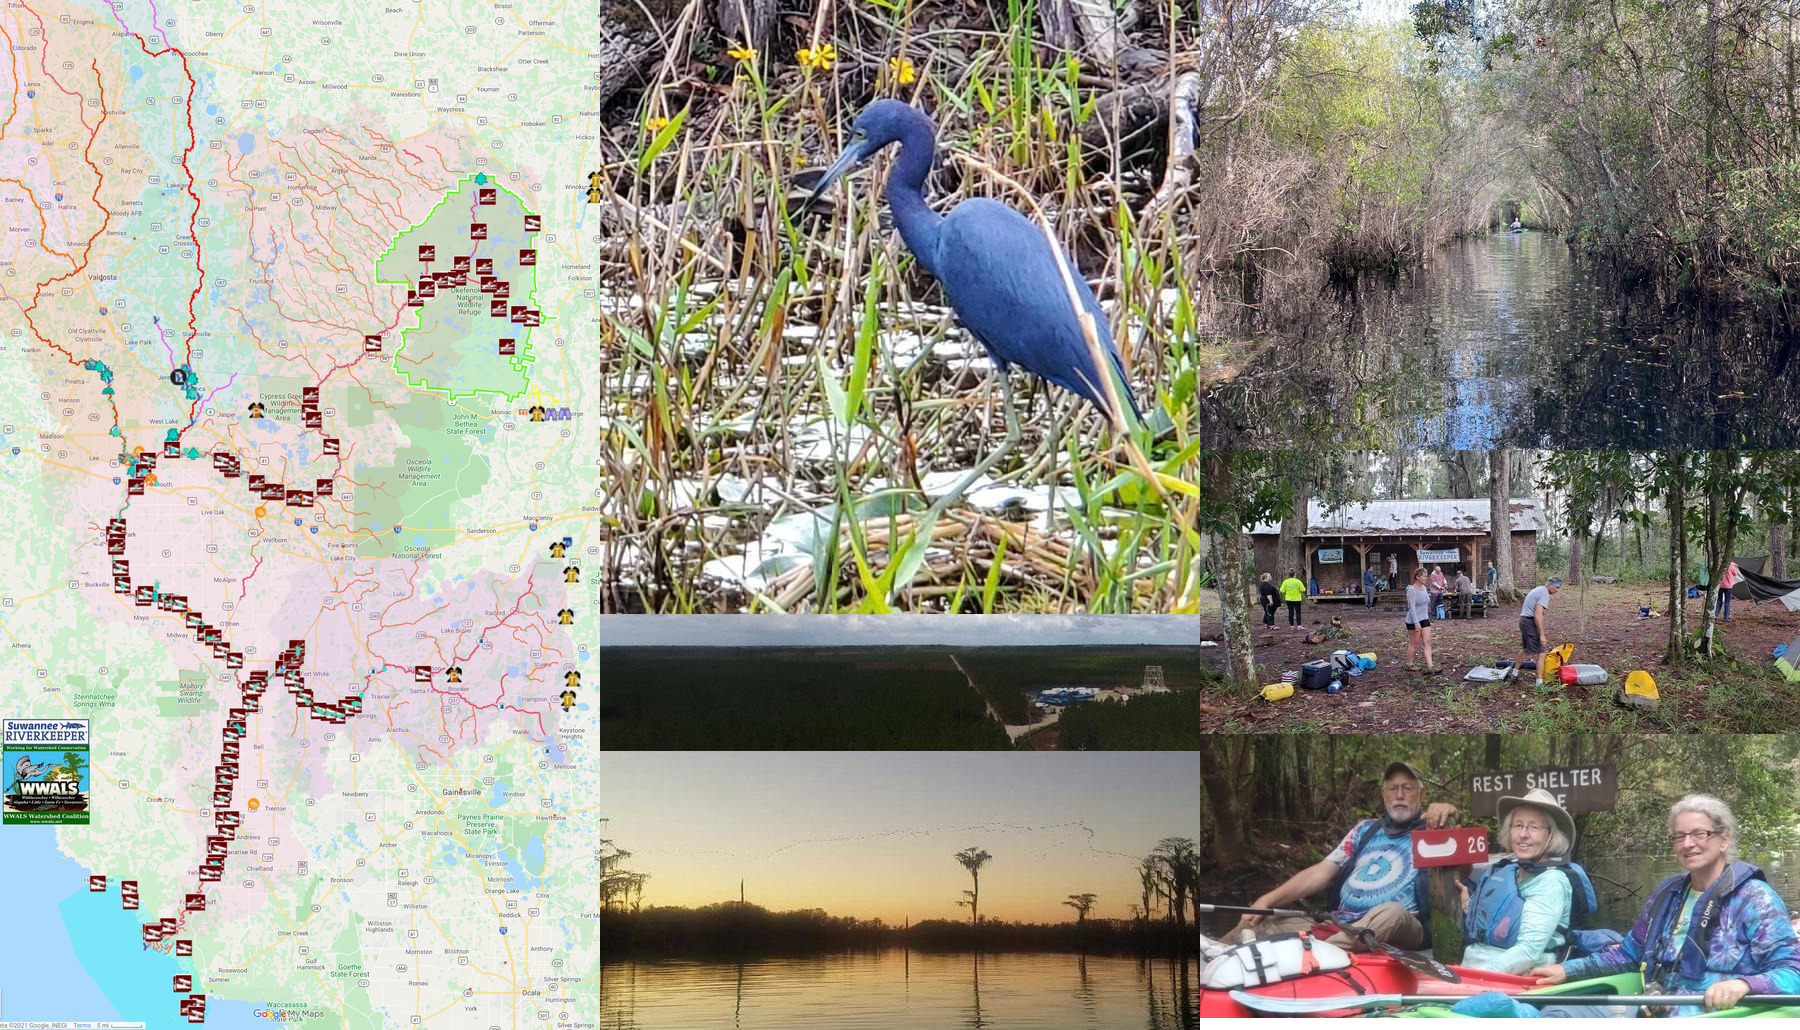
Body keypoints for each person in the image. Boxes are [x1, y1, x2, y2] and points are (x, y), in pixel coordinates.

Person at [1532, 794, 1800, 1015]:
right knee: (1556, 1012)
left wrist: (1744, 984)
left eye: (1699, 834)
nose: (1688, 844)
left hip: (1715, 1016)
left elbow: (1793, 971)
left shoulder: (1755, 898)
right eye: (1679, 836)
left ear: (1724, 839)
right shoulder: (1667, 893)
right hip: (1652, 1009)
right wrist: (1566, 969)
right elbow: (1628, 955)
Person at [1234, 761, 1459, 950]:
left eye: (1407, 788)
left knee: (1394, 912)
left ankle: (1321, 952)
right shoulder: (1365, 830)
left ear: (1421, 794)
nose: (1399, 795)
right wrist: (1266, 900)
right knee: (1263, 922)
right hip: (1340, 922)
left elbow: (1462, 869)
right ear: (1383, 794)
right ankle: (1215, 956)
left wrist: (1450, 814)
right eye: (1392, 788)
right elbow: (1320, 873)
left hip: (1403, 927)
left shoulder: (1433, 832)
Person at [1460, 788, 1586, 975]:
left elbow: (1527, 953)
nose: (1523, 834)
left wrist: (1473, 977)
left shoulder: (1551, 882)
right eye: (1518, 825)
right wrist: (1467, 904)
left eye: (1534, 827)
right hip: (1474, 968)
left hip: (1515, 979)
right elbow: (1500, 916)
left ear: (1550, 835)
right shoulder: (1509, 870)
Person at [1508, 577, 1562, 682]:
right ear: (1550, 585)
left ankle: (1514, 673)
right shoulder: (1544, 594)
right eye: (1557, 587)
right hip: (1530, 622)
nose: (1558, 590)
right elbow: (1537, 614)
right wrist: (1542, 635)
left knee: (1526, 649)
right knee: (1542, 652)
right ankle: (1539, 682)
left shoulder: (1538, 589)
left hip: (1524, 621)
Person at [1404, 567, 1437, 674]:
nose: (1425, 578)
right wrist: (1416, 623)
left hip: (1424, 618)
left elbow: (1425, 603)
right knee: (1414, 643)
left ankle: (1430, 666)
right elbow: (1412, 608)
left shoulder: (1423, 588)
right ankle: (1409, 664)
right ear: (1417, 577)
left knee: (1427, 641)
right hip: (1413, 620)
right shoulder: (1411, 590)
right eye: (1424, 576)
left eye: (1426, 576)